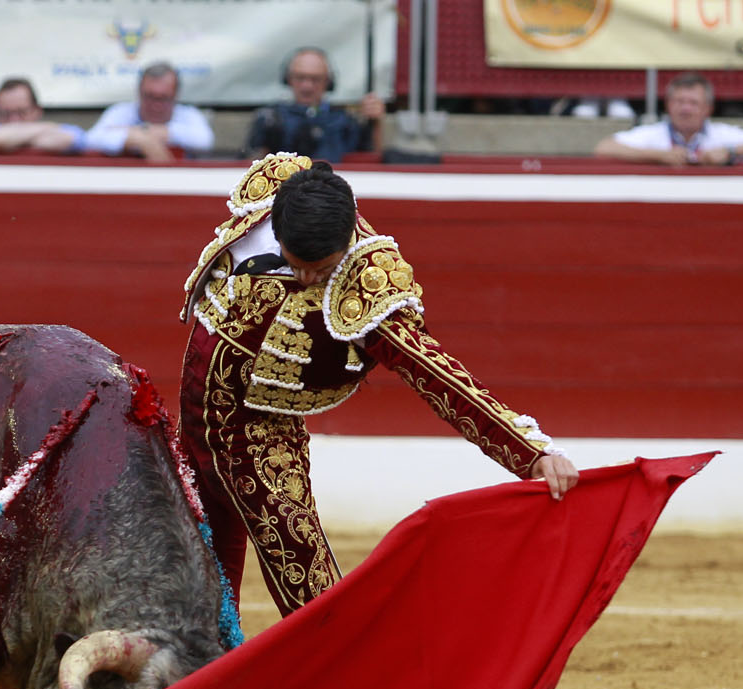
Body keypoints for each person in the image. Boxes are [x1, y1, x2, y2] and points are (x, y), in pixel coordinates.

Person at [178, 154, 578, 618]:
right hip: (193, 423)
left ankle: (344, 666)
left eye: (321, 270)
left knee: (310, 588)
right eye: (295, 263)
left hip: (259, 439)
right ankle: (203, 661)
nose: (307, 278)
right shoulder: (272, 197)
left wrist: (531, 452)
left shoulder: (368, 287)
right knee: (198, 572)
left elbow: (439, 376)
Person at [593, 72, 743, 165]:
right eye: (679, 101)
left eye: (693, 103)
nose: (685, 109)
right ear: (668, 105)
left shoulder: (721, 134)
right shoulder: (654, 133)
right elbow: (604, 148)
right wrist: (659, 155)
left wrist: (730, 151)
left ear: (708, 109)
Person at [244, 47, 384, 162]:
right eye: (300, 78)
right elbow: (252, 165)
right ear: (288, 79)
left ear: (328, 82)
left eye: (315, 79)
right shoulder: (270, 118)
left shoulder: (345, 121)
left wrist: (375, 123)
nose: (307, 86)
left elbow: (371, 161)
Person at [82, 61, 213, 161]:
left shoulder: (189, 115)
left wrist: (145, 131)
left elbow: (204, 141)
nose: (156, 105)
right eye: (150, 97)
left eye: (163, 98)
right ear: (139, 92)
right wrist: (140, 140)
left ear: (176, 95)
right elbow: (90, 140)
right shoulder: (120, 112)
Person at [0, 77, 85, 154]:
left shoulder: (68, 131)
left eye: (21, 112)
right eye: (6, 114)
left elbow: (73, 139)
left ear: (37, 111)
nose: (14, 120)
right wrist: (47, 128)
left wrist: (15, 139)